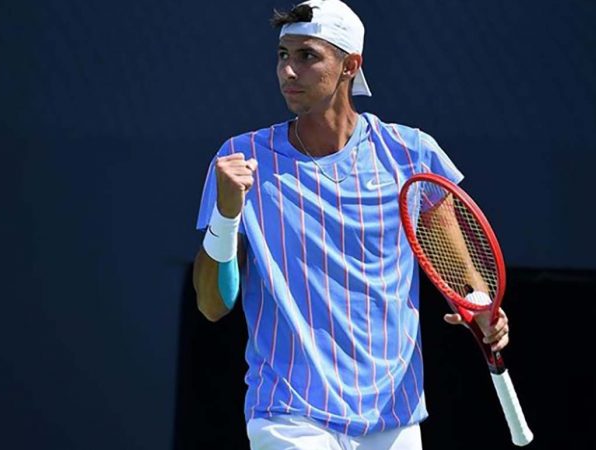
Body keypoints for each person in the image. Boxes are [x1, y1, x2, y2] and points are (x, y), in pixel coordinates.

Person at [192, 1, 510, 448]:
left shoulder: (410, 154)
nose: (288, 71)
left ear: (350, 66)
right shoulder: (242, 160)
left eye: (307, 56)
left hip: (393, 415)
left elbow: (463, 277)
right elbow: (211, 303)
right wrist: (226, 215)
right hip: (289, 414)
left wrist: (484, 312)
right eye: (283, 55)